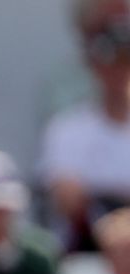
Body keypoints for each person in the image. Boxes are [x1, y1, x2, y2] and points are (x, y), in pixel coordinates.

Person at [38, 13, 130, 251]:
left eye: (126, 62)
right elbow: (67, 202)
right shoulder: (67, 127)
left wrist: (98, 193)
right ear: (95, 67)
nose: (119, 73)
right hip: (88, 252)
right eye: (111, 63)